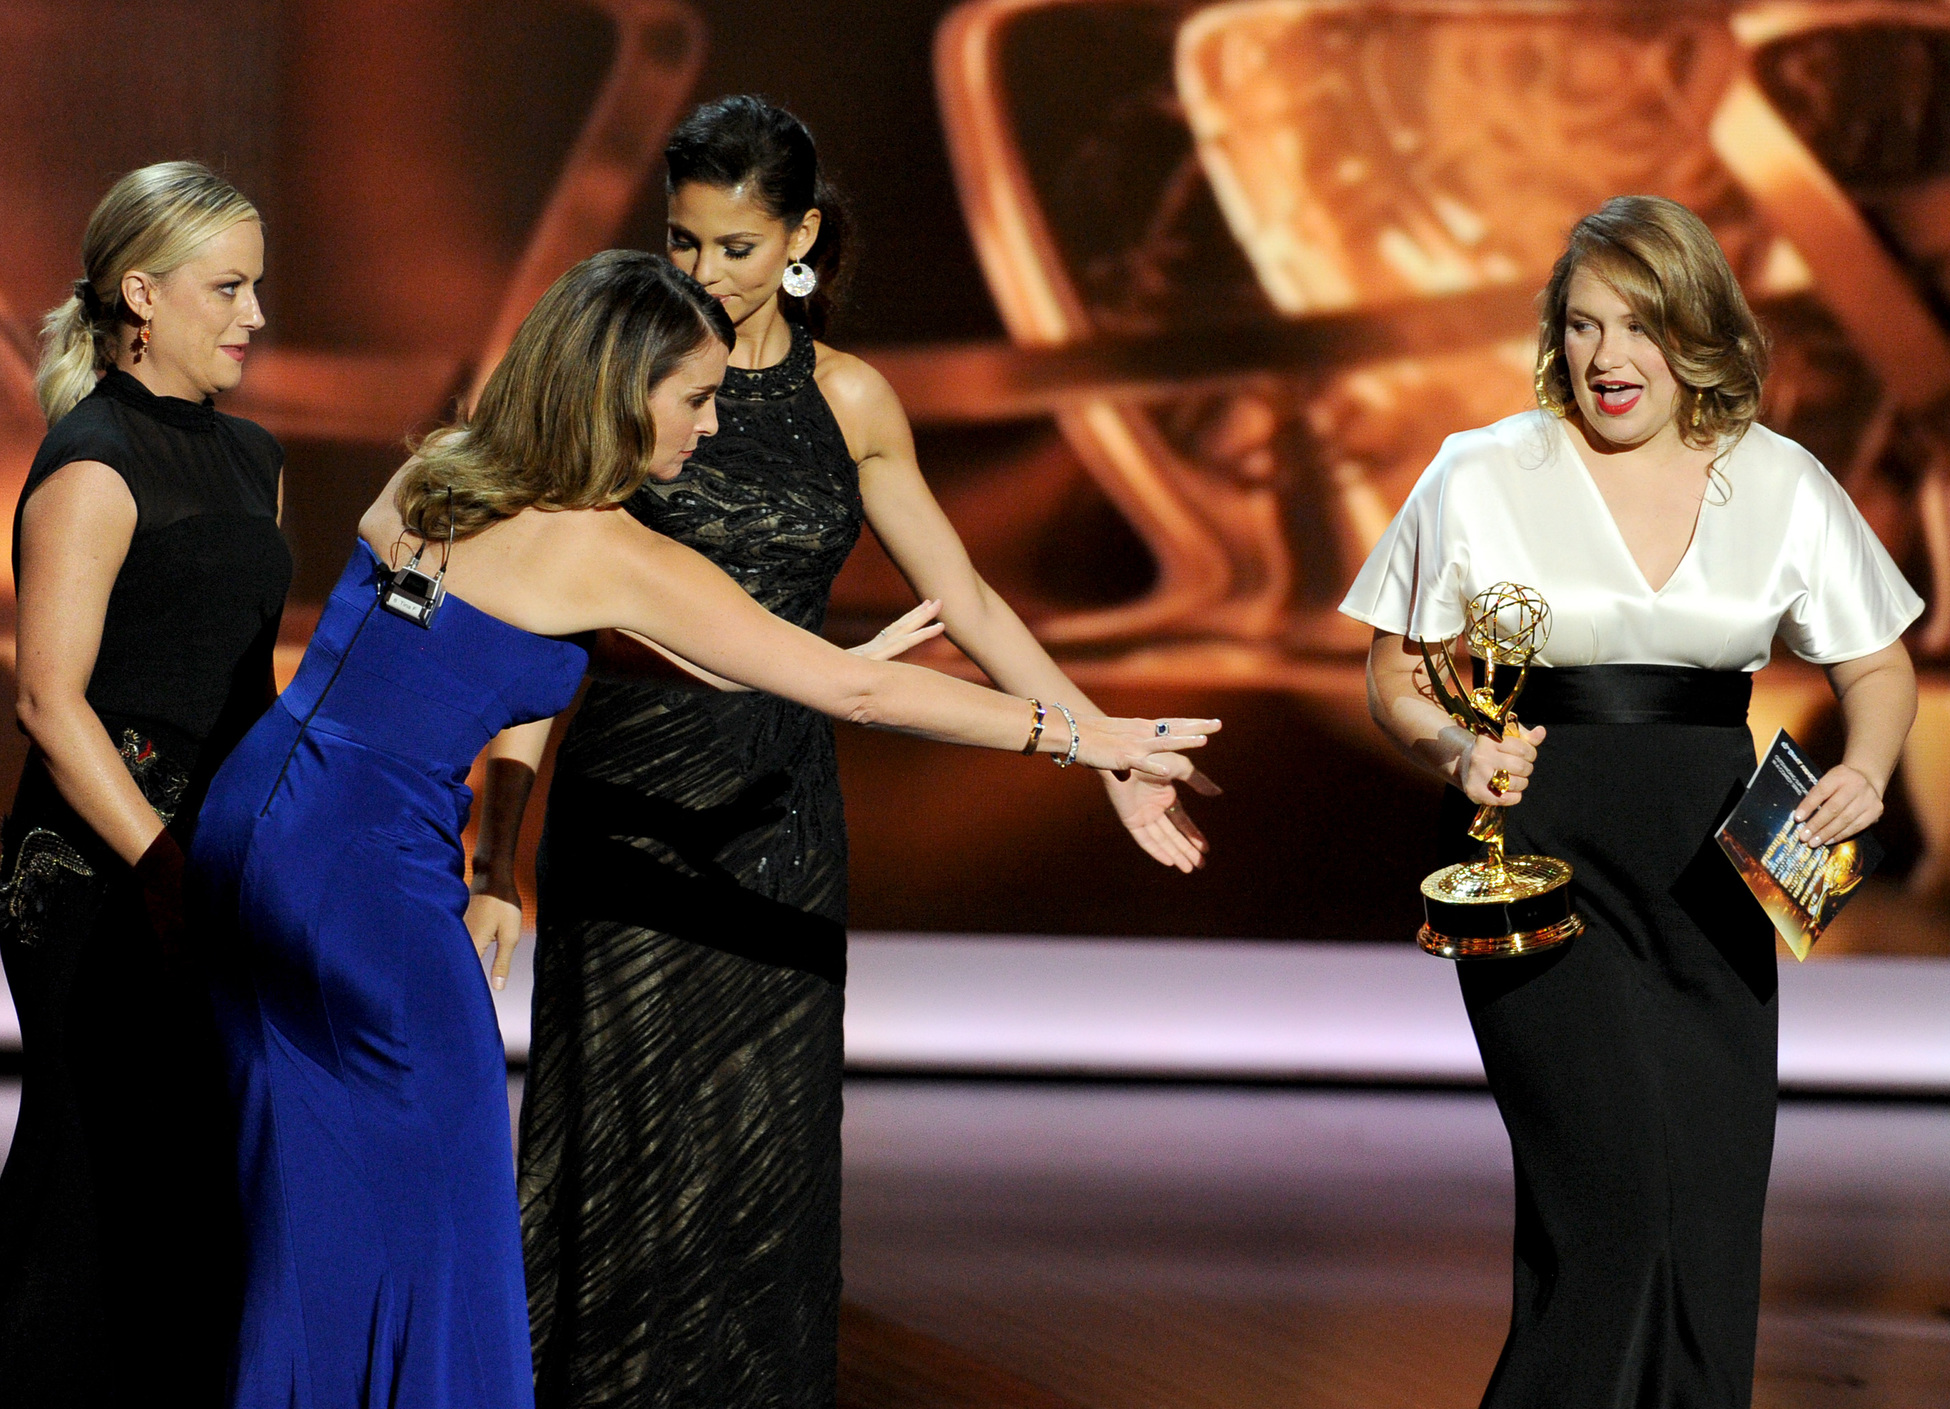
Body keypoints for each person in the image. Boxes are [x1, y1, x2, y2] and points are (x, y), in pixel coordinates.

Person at [185, 248, 1214, 1409]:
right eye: (695, 397)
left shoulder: (441, 472)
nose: (713, 425)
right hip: (367, 886)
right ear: (622, 390)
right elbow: (861, 697)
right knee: (447, 1199)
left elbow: (491, 632)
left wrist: (792, 670)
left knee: (305, 1190)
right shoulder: (608, 548)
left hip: (254, 832)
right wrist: (1078, 735)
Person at [471, 96, 1216, 1409]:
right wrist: (499, 853)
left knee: (766, 1172)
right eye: (685, 243)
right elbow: (546, 635)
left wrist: (1100, 752)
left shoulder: (848, 397)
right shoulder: (623, 385)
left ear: (803, 237)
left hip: (782, 829)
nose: (703, 274)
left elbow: (971, 602)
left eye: (738, 248)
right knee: (629, 1163)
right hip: (636, 822)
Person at [1348, 196, 1919, 1407]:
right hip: (1537, 854)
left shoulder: (1779, 480)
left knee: (1706, 1222)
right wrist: (1453, 749)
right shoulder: (1483, 469)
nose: (1608, 358)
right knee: (1612, 1202)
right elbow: (1393, 670)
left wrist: (1864, 767)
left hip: (1715, 878)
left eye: (1640, 326)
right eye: (1581, 325)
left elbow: (1874, 665)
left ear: (1697, 329)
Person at [0, 161, 286, 1407]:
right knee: (90, 1171)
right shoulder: (95, 463)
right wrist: (165, 868)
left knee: (194, 1172)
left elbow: (244, 683)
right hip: (97, 872)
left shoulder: (254, 455)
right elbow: (51, 702)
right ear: (140, 293)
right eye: (228, 287)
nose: (255, 316)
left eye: (256, 287)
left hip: (213, 854)